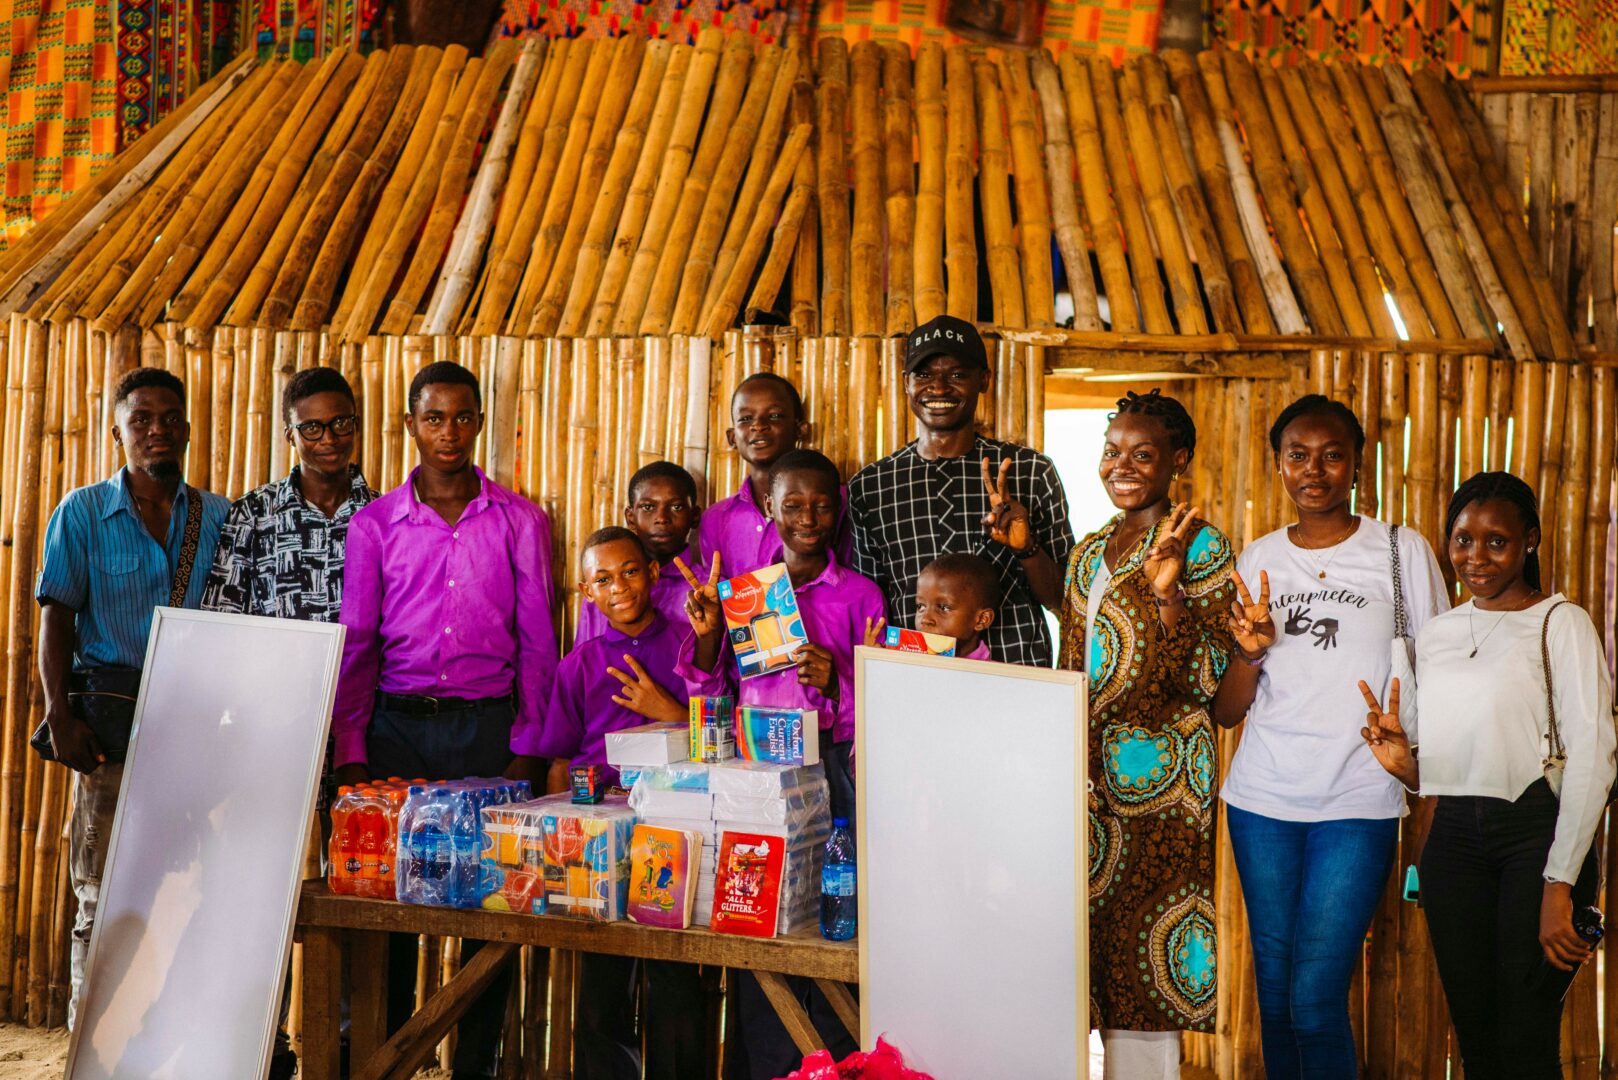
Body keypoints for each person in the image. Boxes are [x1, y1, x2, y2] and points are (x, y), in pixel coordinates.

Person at [1209, 394, 1449, 1080]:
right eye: (1298, 456)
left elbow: (1439, 672)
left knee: (1315, 999)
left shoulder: (1400, 551)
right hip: (1261, 801)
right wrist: (1249, 651)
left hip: (1358, 798)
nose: (1314, 470)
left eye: (1332, 455)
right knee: (1277, 993)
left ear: (1357, 465)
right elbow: (1228, 711)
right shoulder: (1259, 557)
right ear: (1278, 464)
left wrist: (1423, 772)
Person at [333, 360, 558, 1079]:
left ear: (480, 423)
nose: (449, 432)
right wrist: (351, 749)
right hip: (396, 734)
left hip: (489, 735)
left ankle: (475, 1065)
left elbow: (538, 643)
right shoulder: (374, 526)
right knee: (389, 906)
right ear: (411, 425)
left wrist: (528, 748)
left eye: (463, 417)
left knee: (490, 904)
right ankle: (384, 1059)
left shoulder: (521, 521)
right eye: (434, 418)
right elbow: (358, 643)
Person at [1359, 472, 1614, 1080]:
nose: (1475, 557)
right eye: (1463, 540)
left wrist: (1559, 883)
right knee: (1475, 1039)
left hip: (1537, 837)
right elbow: (1454, 755)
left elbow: (1595, 755)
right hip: (1454, 845)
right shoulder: (1439, 633)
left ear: (1530, 541)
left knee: (1526, 1038)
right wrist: (1407, 766)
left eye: (1496, 542)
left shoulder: (1562, 622)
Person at [676, 448, 883, 1080]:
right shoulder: (747, 595)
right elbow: (713, 690)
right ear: (769, 508)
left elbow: (882, 703)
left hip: (832, 774)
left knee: (831, 915)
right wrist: (709, 635)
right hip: (758, 779)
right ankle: (768, 1065)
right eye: (792, 505)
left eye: (821, 505)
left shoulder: (860, 594)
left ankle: (833, 1064)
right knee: (760, 914)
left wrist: (839, 682)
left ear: (838, 508)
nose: (808, 517)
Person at [35, 367, 231, 1030]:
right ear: (115, 431)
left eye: (170, 418)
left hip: (198, 730)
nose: (157, 430)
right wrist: (60, 715)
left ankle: (172, 1042)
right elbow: (56, 616)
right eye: (141, 418)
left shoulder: (218, 517)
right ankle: (93, 1047)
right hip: (110, 731)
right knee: (105, 892)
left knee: (195, 889)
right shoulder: (83, 512)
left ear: (187, 428)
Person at [1057, 389, 1235, 1079]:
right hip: (1089, 787)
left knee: (1146, 957)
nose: (1121, 467)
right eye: (1112, 452)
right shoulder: (1088, 552)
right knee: (1090, 950)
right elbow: (1072, 664)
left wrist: (1168, 594)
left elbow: (1209, 674)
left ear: (1177, 460)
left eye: (1142, 454)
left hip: (1163, 791)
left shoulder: (1204, 546)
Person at [538, 525, 702, 1080]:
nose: (620, 587)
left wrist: (668, 712)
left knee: (674, 978)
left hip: (675, 829)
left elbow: (720, 739)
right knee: (602, 981)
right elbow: (561, 762)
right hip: (598, 837)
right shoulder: (579, 665)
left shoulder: (690, 645)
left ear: (653, 573)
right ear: (587, 591)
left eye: (630, 571)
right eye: (603, 579)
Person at [848, 314, 1073, 668]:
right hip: (917, 682)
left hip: (1017, 678)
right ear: (906, 383)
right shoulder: (871, 486)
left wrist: (1026, 548)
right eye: (924, 375)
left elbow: (1067, 601)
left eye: (956, 375)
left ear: (984, 380)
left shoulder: (1030, 471)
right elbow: (869, 607)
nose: (939, 389)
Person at [698, 371, 849, 575]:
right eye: (746, 418)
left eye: (775, 415)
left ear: (800, 430)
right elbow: (716, 588)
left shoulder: (838, 503)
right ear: (732, 437)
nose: (759, 426)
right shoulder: (715, 519)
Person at [576, 461, 702, 643]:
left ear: (695, 516)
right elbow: (585, 653)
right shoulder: (600, 590)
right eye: (648, 507)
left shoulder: (709, 588)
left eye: (676, 507)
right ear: (630, 518)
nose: (661, 518)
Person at [913, 552, 999, 660]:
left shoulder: (988, 670)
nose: (925, 619)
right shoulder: (906, 659)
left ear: (982, 620)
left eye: (943, 608)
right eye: (921, 606)